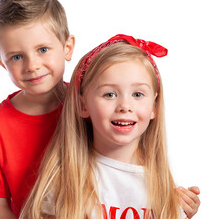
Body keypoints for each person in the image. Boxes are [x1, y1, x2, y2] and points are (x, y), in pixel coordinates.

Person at [20, 34, 200, 219]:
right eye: (109, 94)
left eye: (138, 94)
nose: (125, 106)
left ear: (153, 107)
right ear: (83, 105)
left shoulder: (161, 184)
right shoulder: (63, 181)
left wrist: (181, 213)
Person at [0, 0, 75, 218]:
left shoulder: (86, 106)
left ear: (67, 47)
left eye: (43, 50)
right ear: (2, 63)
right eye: (17, 57)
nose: (32, 65)